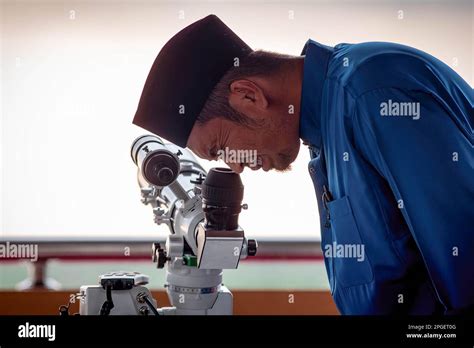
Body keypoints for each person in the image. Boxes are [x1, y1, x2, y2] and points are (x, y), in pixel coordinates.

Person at [133, 15, 474, 314]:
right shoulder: (325, 129)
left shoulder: (372, 93)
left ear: (249, 97)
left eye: (222, 147)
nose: (233, 167)